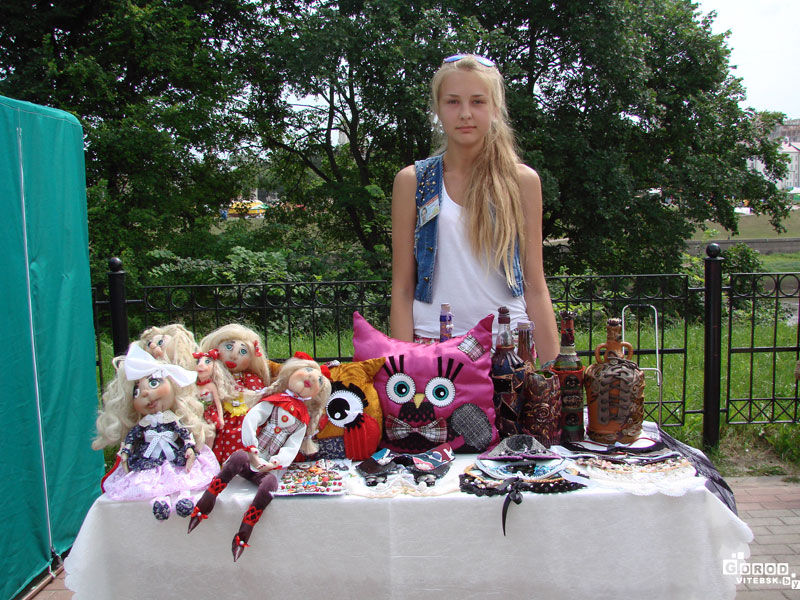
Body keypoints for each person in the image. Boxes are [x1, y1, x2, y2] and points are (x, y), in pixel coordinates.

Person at [390, 53, 559, 363]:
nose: (465, 113)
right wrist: (403, 366)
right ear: (437, 109)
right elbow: (402, 288)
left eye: (478, 101)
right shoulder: (413, 182)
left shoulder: (521, 181)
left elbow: (535, 286)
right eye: (453, 102)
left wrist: (553, 372)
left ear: (495, 108)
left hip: (507, 349)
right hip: (433, 348)